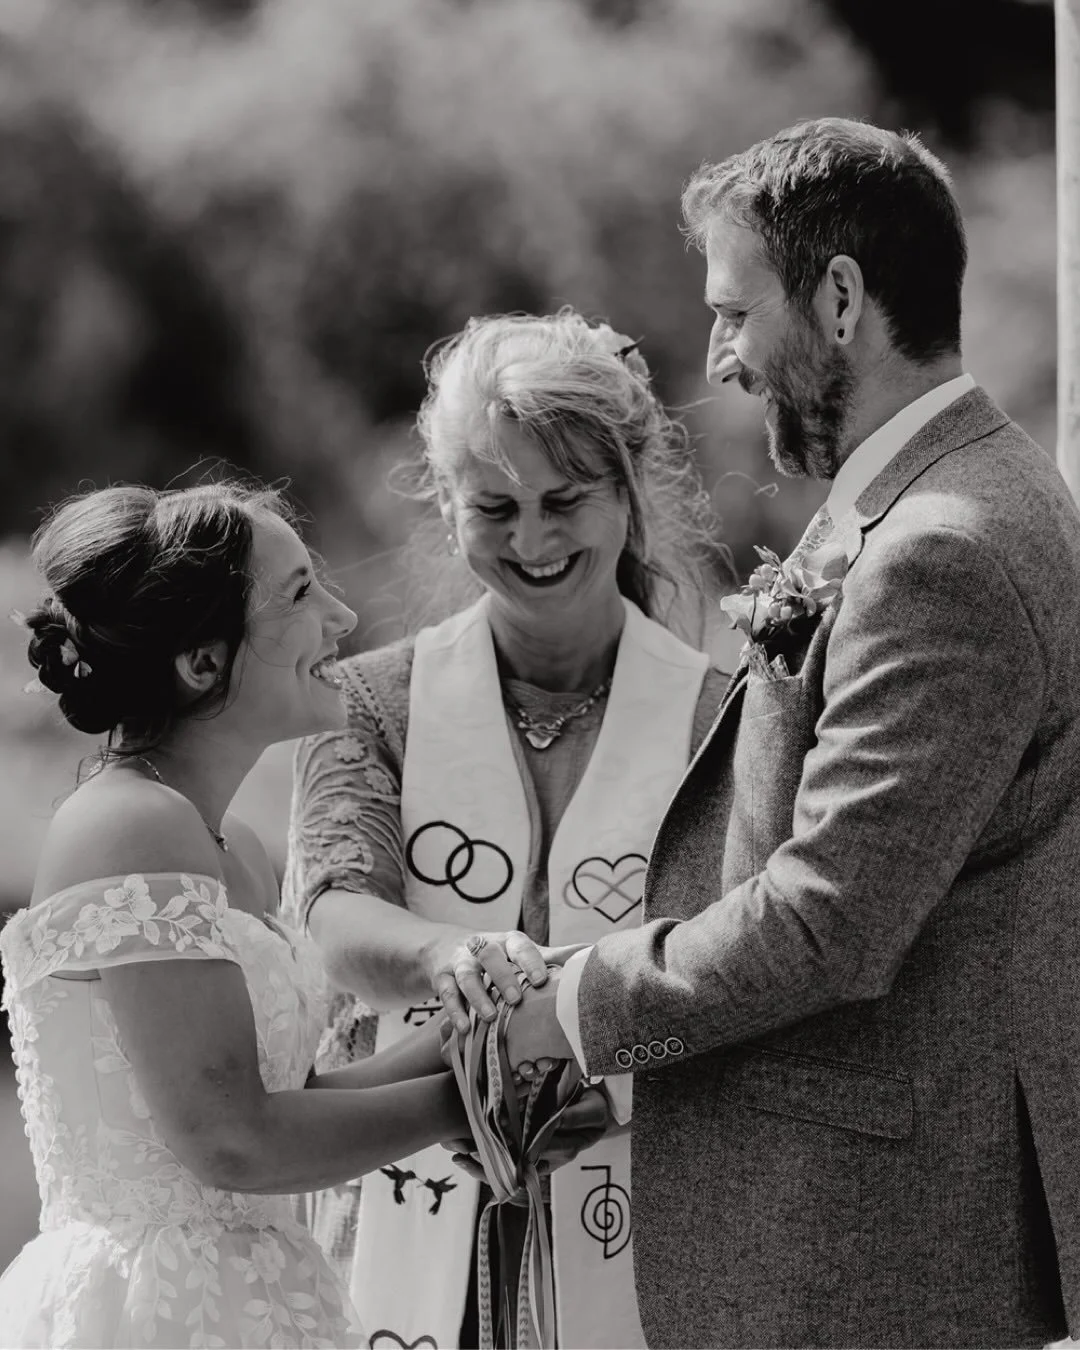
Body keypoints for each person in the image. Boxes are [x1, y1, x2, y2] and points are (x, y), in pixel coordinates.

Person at [502, 117, 1080, 1349]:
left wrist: (582, 999)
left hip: (861, 1256)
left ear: (837, 300)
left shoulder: (943, 551)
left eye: (732, 312)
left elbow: (830, 923)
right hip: (854, 1238)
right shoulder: (944, 495)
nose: (718, 359)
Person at [282, 307, 729, 1349]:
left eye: (565, 500)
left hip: (648, 1221)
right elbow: (336, 913)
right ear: (446, 508)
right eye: (495, 506)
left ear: (628, 493)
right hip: (396, 1220)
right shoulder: (367, 702)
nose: (532, 540)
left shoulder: (725, 714)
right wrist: (457, 956)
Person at [0, 481, 476, 1349]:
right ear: (203, 662)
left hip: (253, 1298)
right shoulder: (130, 826)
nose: (339, 617)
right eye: (299, 593)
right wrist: (467, 1106)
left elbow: (278, 1108)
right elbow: (230, 1142)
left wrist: (472, 1038)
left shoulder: (235, 851)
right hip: (155, 1311)